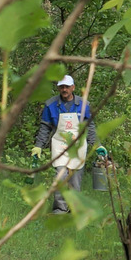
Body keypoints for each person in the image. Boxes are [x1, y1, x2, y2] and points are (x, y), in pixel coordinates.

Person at [32, 75, 105, 213]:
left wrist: (97, 145)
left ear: (73, 87)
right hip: (60, 145)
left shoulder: (84, 105)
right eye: (61, 87)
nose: (64, 89)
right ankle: (60, 209)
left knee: (75, 178)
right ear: (58, 88)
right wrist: (39, 146)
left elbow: (90, 127)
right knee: (60, 175)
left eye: (67, 86)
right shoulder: (50, 105)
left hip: (78, 146)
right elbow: (45, 128)